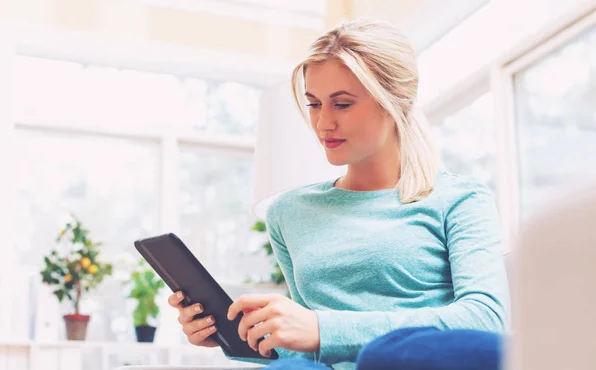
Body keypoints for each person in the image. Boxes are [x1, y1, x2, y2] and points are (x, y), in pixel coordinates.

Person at [167, 19, 510, 370]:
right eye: (314, 104)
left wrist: (322, 328)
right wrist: (235, 336)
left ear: (395, 103)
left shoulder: (459, 199)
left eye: (342, 104)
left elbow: (485, 320)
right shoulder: (289, 212)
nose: (322, 123)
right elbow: (312, 348)